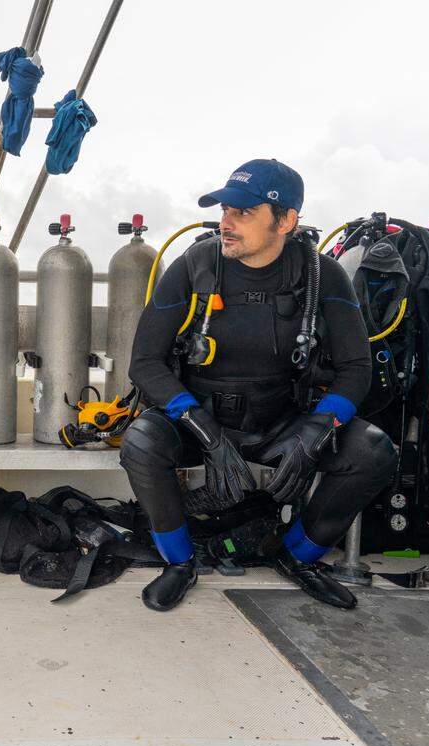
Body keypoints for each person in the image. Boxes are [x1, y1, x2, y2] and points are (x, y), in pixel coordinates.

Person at [120, 159, 397, 612]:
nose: (226, 223)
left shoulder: (322, 276)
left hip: (280, 422)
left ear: (286, 221)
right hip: (198, 421)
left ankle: (297, 555)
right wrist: (205, 431)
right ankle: (180, 563)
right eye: (225, 209)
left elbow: (356, 368)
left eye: (243, 213)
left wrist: (315, 434)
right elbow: (145, 363)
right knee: (141, 442)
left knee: (374, 451)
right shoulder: (195, 265)